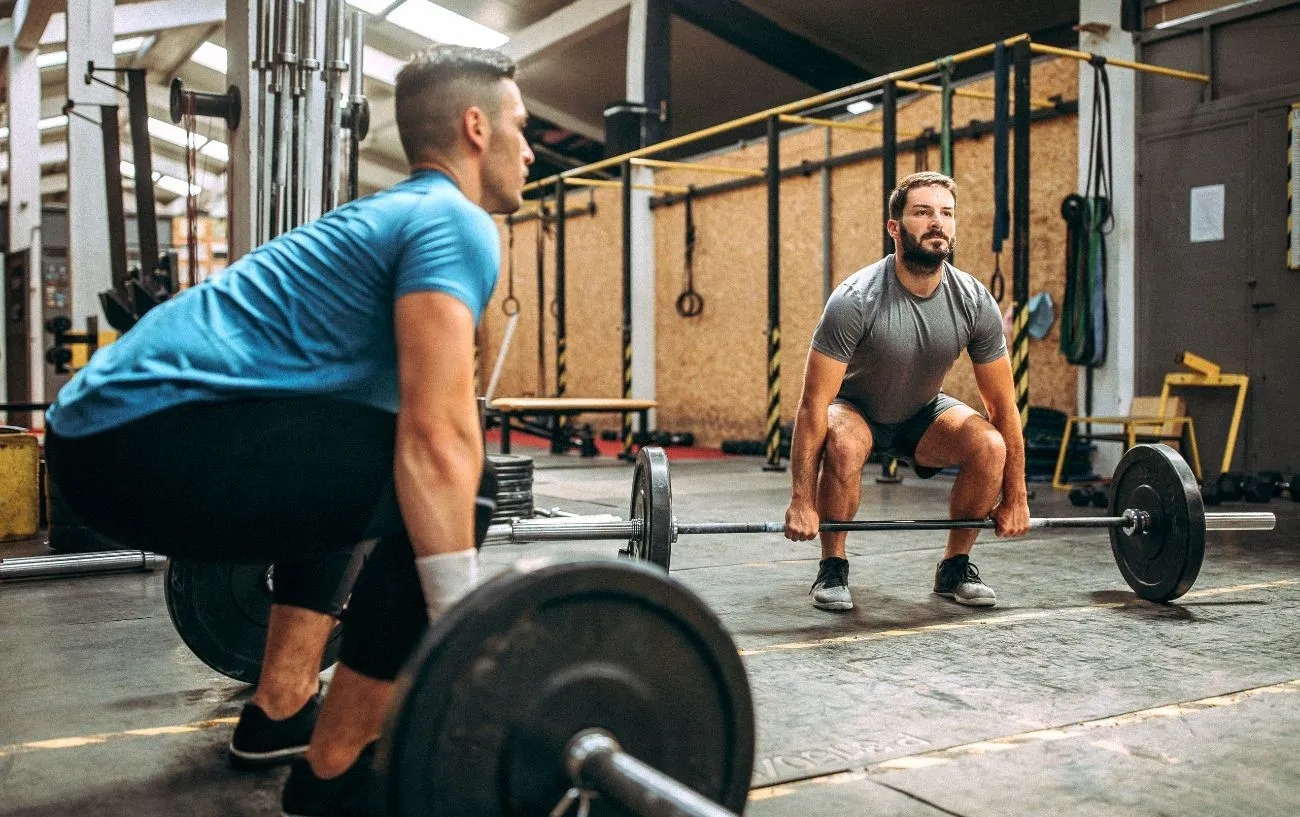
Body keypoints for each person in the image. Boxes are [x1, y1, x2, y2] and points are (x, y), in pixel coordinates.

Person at [43, 44, 534, 816]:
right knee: (450, 491)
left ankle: (280, 711)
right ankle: (337, 770)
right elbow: (440, 440)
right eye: (521, 125)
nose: (532, 148)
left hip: (94, 440)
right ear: (476, 127)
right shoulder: (453, 221)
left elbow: (380, 432)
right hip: (137, 436)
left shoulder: (385, 215)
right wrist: (460, 629)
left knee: (359, 460)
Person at [783, 171, 1031, 612]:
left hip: (923, 414)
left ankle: (954, 567)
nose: (937, 222)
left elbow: (1002, 406)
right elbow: (813, 404)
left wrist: (1016, 496)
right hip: (857, 408)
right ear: (894, 226)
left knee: (990, 446)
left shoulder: (974, 300)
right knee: (840, 439)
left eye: (946, 213)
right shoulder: (855, 299)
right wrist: (802, 500)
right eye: (922, 212)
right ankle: (833, 567)